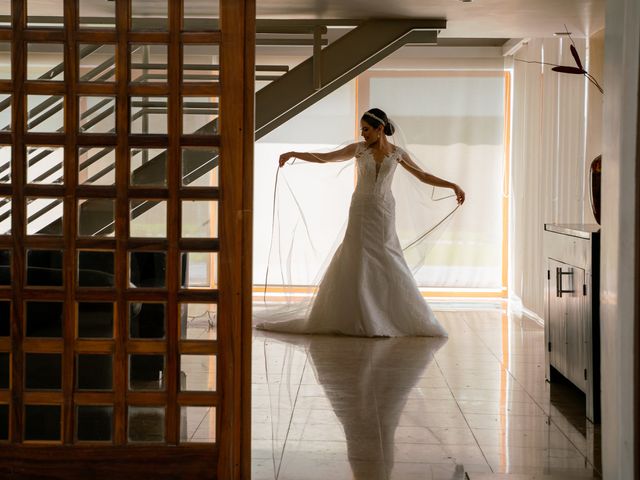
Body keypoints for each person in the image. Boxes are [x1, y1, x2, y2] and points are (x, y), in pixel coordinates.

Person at [256, 108, 465, 337]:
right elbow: (327, 158)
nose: (363, 133)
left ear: (380, 129)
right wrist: (295, 153)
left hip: (384, 210)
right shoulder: (358, 149)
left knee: (387, 255)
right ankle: (356, 314)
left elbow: (422, 175)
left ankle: (388, 314)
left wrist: (453, 185)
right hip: (361, 209)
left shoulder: (397, 153)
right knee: (357, 254)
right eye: (361, 129)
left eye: (366, 129)